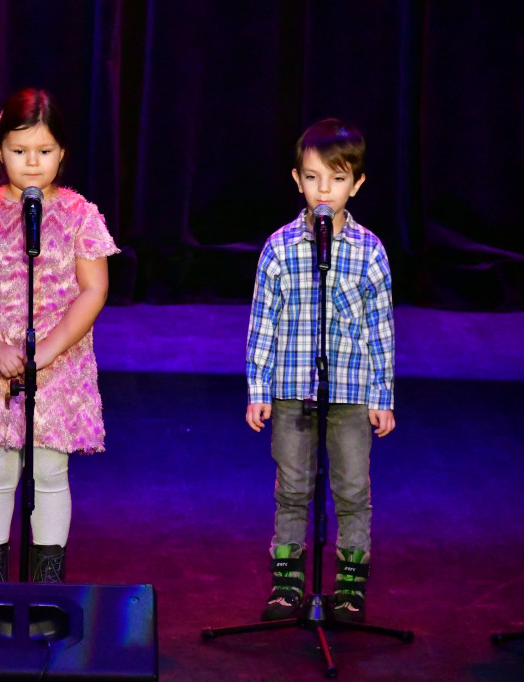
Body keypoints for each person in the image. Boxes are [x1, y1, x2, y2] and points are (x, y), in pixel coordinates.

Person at [0, 88, 118, 583]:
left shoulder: (80, 214)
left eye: (45, 151)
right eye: (19, 151)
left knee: (50, 472)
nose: (32, 163)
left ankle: (47, 585)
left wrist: (49, 351)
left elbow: (93, 289)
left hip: (56, 365)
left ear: (62, 153)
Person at [245, 118, 395, 623]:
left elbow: (381, 331)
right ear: (297, 179)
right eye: (313, 178)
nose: (323, 190)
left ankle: (350, 589)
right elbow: (262, 323)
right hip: (291, 392)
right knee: (292, 489)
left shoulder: (370, 251)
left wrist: (383, 395)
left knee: (352, 490)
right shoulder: (280, 248)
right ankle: (287, 586)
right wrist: (257, 387)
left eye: (336, 179)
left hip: (350, 393)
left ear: (357, 185)